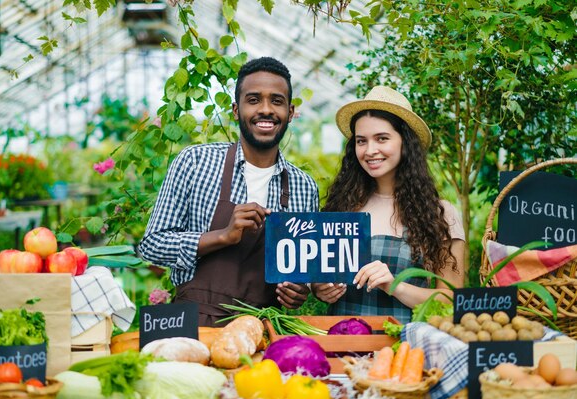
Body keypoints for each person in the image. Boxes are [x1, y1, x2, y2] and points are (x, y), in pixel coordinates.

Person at [139, 57, 319, 326]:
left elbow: (301, 272)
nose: (266, 110)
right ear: (236, 110)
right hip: (191, 324)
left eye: (277, 101)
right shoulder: (195, 162)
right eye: (254, 100)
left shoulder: (304, 187)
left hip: (263, 328)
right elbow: (151, 246)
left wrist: (297, 291)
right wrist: (222, 236)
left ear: (290, 113)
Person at [312, 86, 465, 324]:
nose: (370, 150)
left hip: (406, 350)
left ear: (406, 142)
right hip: (341, 346)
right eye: (361, 141)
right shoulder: (341, 207)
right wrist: (320, 290)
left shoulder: (440, 214)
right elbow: (321, 278)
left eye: (382, 138)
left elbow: (452, 299)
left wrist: (394, 285)